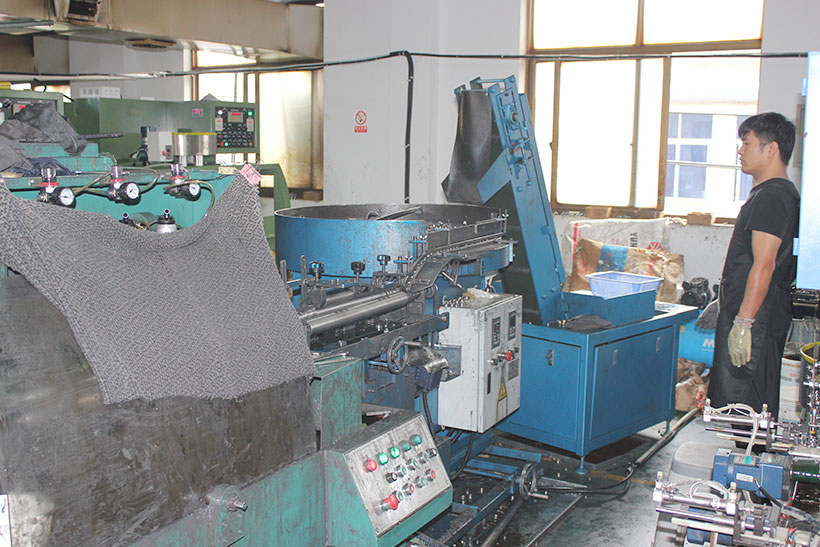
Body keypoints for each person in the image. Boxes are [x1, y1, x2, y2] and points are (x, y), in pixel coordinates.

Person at [706, 112, 800, 420]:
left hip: (755, 325)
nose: (740, 151)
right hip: (757, 319)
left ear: (771, 149)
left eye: (746, 143)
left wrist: (744, 323)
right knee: (746, 413)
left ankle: (752, 454)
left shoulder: (772, 197)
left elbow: (765, 264)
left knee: (748, 412)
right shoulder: (775, 194)